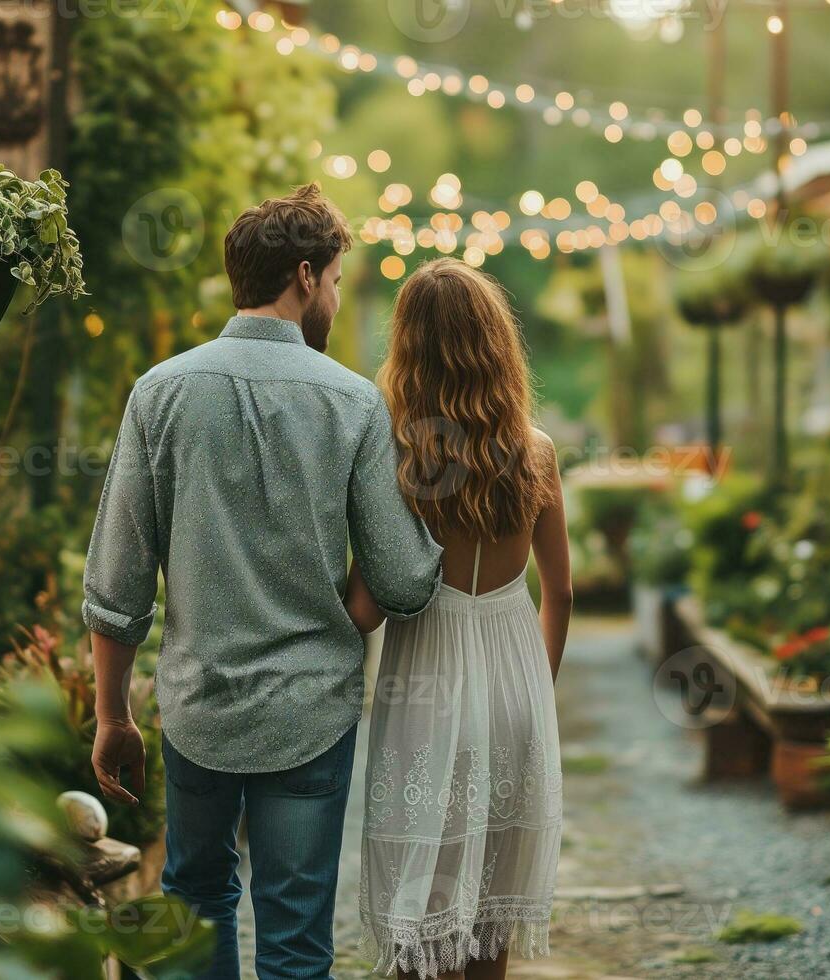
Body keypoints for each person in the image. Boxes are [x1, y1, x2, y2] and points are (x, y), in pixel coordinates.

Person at [83, 183, 443, 980]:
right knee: (294, 930)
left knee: (197, 899)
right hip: (311, 710)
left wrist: (113, 716)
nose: (338, 297)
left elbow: (117, 583)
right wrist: (344, 617)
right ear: (306, 276)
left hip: (198, 709)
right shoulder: (353, 403)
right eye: (340, 280)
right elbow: (403, 577)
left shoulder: (160, 392)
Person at [349, 258, 570, 980]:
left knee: (425, 911)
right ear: (495, 345)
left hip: (425, 688)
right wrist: (537, 689)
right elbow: (560, 592)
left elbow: (367, 599)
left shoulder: (397, 457)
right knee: (489, 921)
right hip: (514, 685)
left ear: (409, 347)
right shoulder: (535, 454)